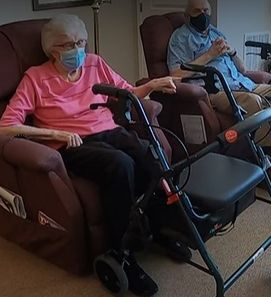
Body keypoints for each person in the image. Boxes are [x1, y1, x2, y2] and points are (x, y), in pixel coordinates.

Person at [0, 14, 182, 297]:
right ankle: (122, 252)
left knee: (149, 155)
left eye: (81, 42)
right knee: (120, 165)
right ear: (52, 49)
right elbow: (6, 127)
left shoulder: (94, 63)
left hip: (107, 129)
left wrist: (153, 85)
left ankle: (159, 227)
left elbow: (126, 92)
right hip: (71, 144)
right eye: (69, 44)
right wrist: (55, 135)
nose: (78, 50)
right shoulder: (35, 79)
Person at [167, 0, 271, 196]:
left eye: (206, 10)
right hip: (215, 91)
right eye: (197, 11)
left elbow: (243, 69)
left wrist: (233, 52)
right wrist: (209, 54)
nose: (203, 15)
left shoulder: (216, 33)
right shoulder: (180, 38)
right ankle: (267, 169)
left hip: (242, 83)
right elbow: (174, 74)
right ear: (187, 16)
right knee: (254, 103)